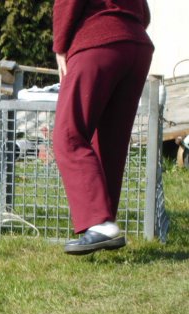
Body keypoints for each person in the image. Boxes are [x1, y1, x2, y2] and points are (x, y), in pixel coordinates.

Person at [52, 0, 154, 255]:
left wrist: (60, 46)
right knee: (111, 143)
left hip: (97, 40)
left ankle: (100, 224)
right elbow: (144, 12)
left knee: (69, 134)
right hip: (137, 45)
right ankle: (103, 226)